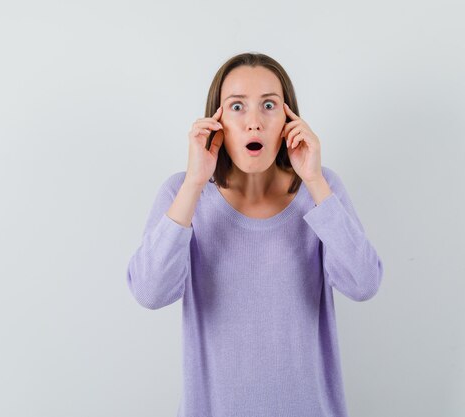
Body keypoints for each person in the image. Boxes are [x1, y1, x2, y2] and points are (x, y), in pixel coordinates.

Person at [126, 52, 384, 417]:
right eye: (236, 107)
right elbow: (150, 292)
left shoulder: (322, 190)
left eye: (268, 105)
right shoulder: (182, 194)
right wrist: (195, 182)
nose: (254, 123)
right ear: (215, 121)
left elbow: (364, 283)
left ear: (288, 118)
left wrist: (314, 180)